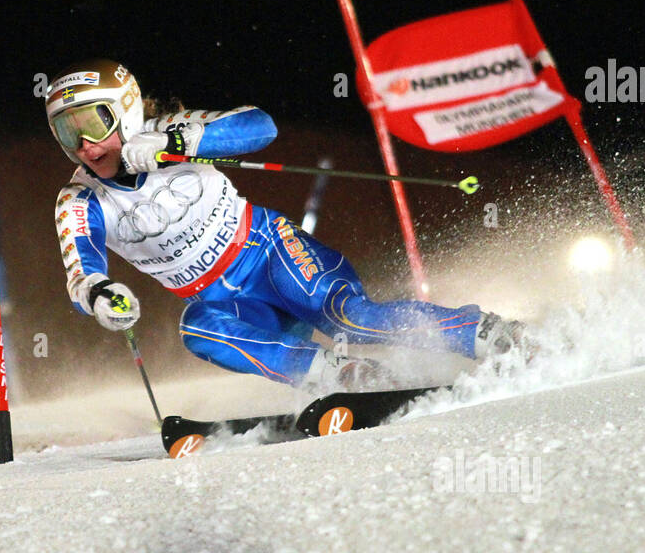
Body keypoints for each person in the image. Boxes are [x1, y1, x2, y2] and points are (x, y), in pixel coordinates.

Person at [48, 59, 524, 393]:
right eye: (69, 132)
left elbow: (260, 127)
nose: (87, 144)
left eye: (96, 122)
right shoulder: (78, 198)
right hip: (224, 302)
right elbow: (81, 271)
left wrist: (179, 139)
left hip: (270, 253)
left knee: (349, 318)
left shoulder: (171, 128)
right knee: (198, 330)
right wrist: (100, 294)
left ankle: (489, 335)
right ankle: (341, 377)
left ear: (127, 109)